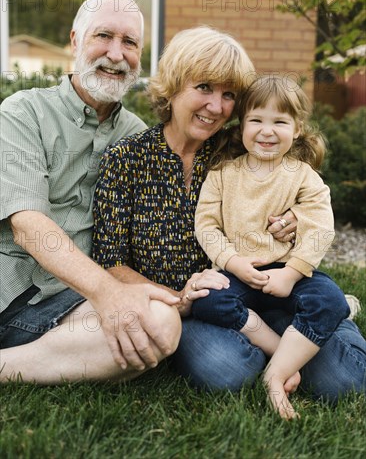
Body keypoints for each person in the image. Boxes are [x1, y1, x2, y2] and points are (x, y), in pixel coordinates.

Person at [92, 27, 366, 402]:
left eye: (229, 95)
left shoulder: (238, 144)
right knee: (226, 370)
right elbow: (110, 262)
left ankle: (324, 318)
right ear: (173, 87)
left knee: (346, 381)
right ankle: (286, 345)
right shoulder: (127, 159)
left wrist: (298, 217)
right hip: (200, 306)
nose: (217, 107)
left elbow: (302, 184)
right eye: (204, 87)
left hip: (273, 280)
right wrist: (178, 298)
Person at [0, 0, 182, 384]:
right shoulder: (23, 111)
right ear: (75, 41)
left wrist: (275, 213)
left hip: (70, 306)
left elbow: (180, 205)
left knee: (161, 324)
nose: (116, 54)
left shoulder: (138, 135)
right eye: (104, 36)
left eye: (130, 42)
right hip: (9, 291)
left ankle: (12, 366)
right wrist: (108, 292)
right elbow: (28, 226)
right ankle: (38, 360)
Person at [193, 75, 351, 419]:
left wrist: (292, 274)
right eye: (256, 120)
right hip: (239, 271)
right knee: (209, 302)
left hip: (287, 272)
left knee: (328, 299)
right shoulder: (222, 173)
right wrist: (232, 263)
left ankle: (274, 375)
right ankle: (280, 351)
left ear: (296, 129)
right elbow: (206, 225)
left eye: (279, 121)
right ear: (242, 125)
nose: (267, 131)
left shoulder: (302, 176)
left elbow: (320, 228)